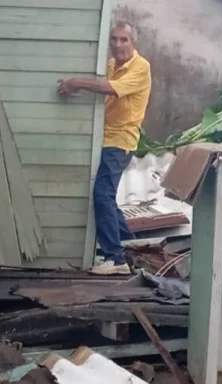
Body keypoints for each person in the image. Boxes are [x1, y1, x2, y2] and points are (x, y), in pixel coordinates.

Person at [57, 22, 152, 275]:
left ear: (134, 43)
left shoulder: (141, 67)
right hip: (105, 137)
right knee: (106, 196)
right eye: (114, 39)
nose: (118, 45)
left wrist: (76, 82)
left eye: (124, 40)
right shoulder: (111, 66)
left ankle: (116, 260)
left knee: (102, 195)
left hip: (121, 141)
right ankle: (130, 246)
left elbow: (110, 88)